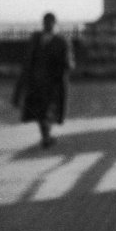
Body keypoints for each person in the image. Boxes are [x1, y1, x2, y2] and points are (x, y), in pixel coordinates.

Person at [11, 12, 72, 148]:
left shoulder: (61, 41)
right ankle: (46, 137)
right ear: (43, 23)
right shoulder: (36, 38)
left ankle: (46, 137)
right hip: (36, 82)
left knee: (47, 111)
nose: (48, 24)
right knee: (41, 112)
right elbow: (28, 60)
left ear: (54, 23)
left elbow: (68, 62)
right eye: (46, 22)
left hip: (53, 83)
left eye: (50, 22)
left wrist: (65, 66)